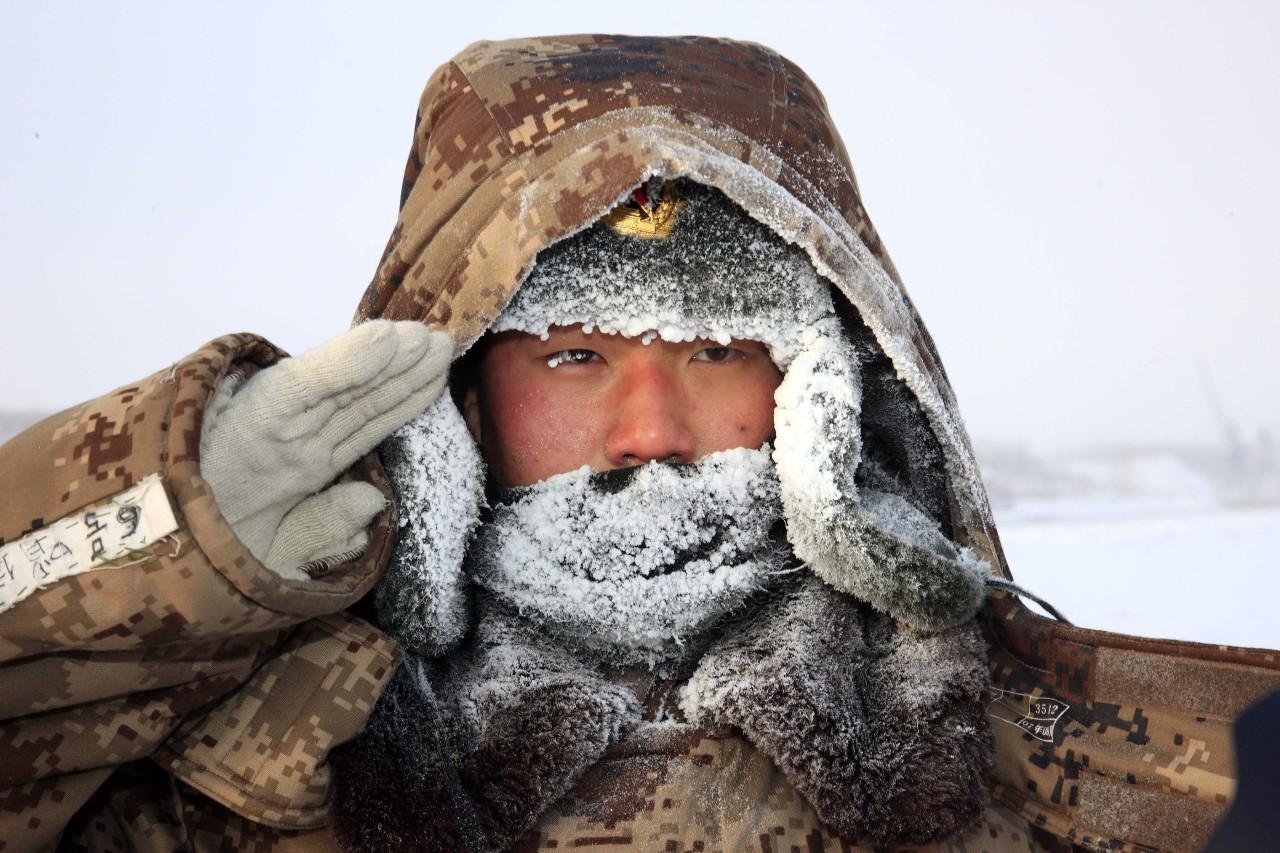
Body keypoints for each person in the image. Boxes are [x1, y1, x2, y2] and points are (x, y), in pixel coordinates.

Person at [1, 34, 1274, 853]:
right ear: (455, 412)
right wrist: (161, 539)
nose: (648, 432)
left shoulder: (1104, 774)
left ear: (824, 396)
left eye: (718, 351)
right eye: (573, 355)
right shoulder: (224, 776)